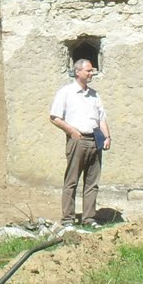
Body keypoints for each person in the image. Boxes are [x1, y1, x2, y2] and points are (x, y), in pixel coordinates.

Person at [49, 59, 110, 227]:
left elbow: (101, 118)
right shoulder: (66, 92)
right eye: (88, 71)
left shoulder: (94, 94)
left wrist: (107, 137)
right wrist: (72, 131)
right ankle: (68, 219)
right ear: (78, 72)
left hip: (95, 139)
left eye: (92, 71)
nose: (91, 74)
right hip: (78, 140)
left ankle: (89, 218)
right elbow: (54, 117)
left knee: (92, 182)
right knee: (72, 181)